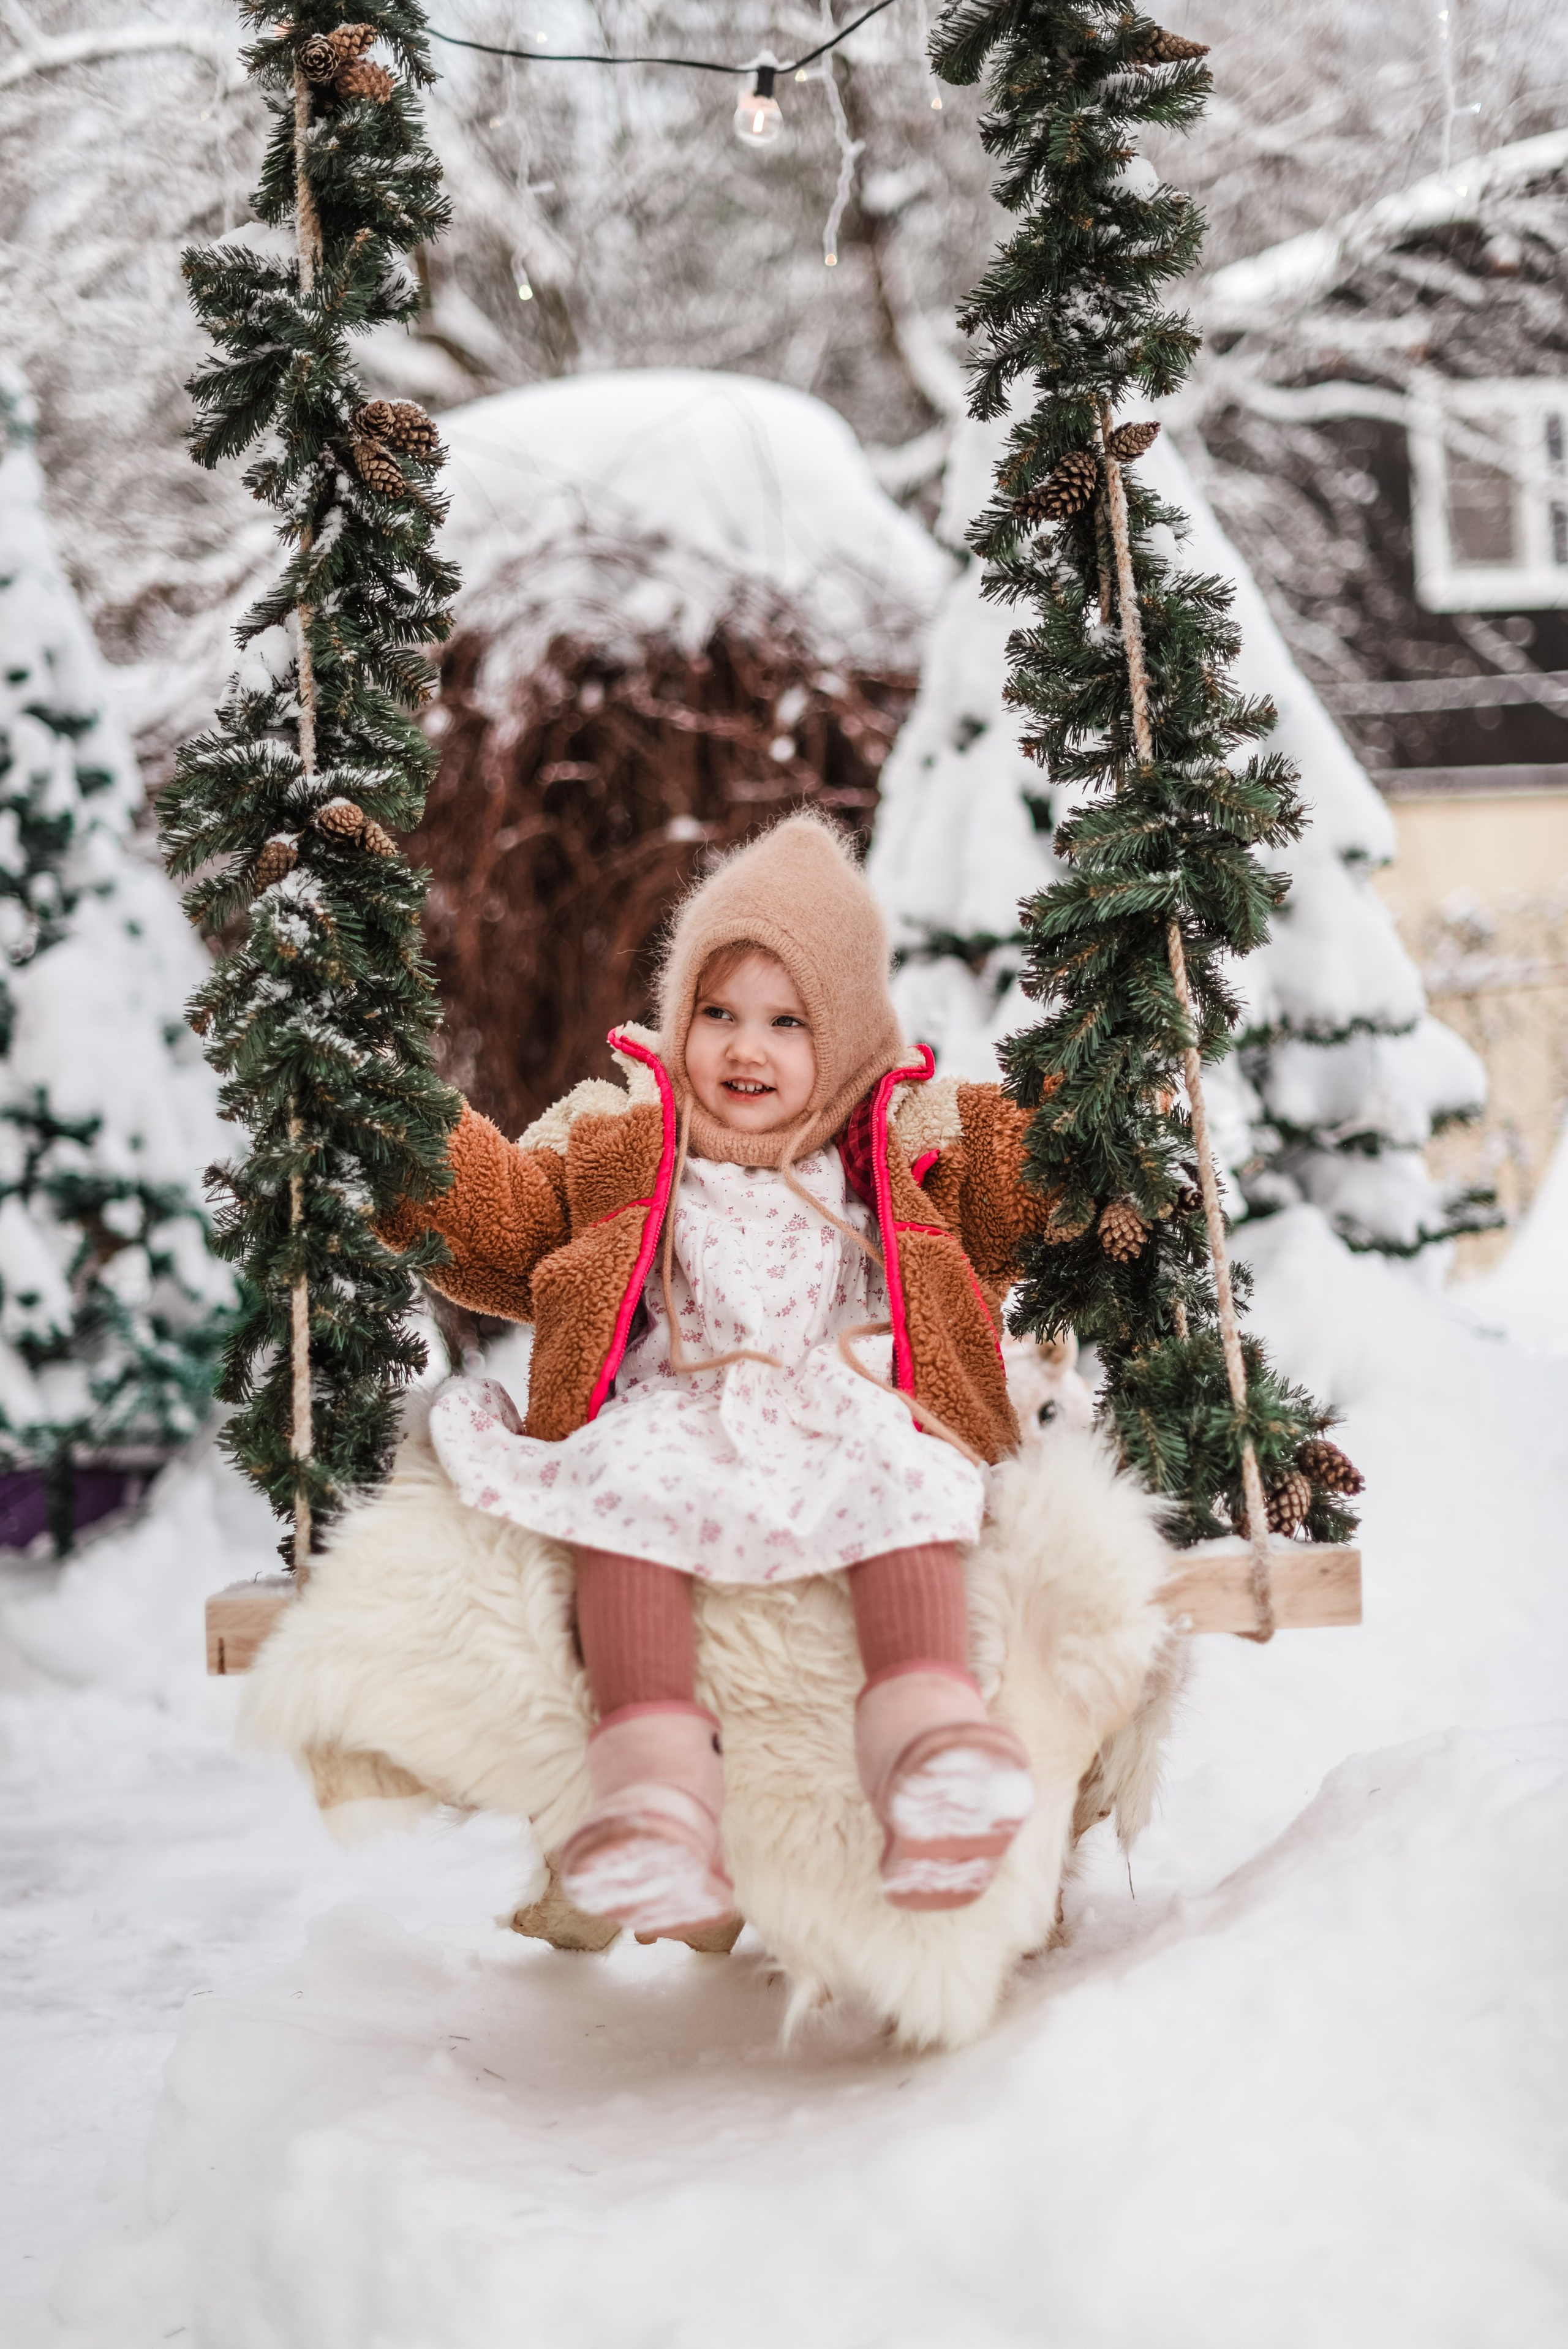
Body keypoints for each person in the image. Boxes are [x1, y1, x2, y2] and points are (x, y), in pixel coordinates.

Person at [379, 813, 1072, 1937]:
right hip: (678, 1410)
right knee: (620, 1502)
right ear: (677, 1018)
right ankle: (654, 1798)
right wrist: (394, 1122)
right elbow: (507, 1229)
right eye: (719, 1014)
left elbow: (1022, 1178)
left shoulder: (905, 1146)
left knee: (910, 1484)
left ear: (844, 1039)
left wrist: (1114, 1085)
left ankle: (932, 1760)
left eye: (787, 1023)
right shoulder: (622, 1139)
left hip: (854, 1404)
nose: (745, 1050)